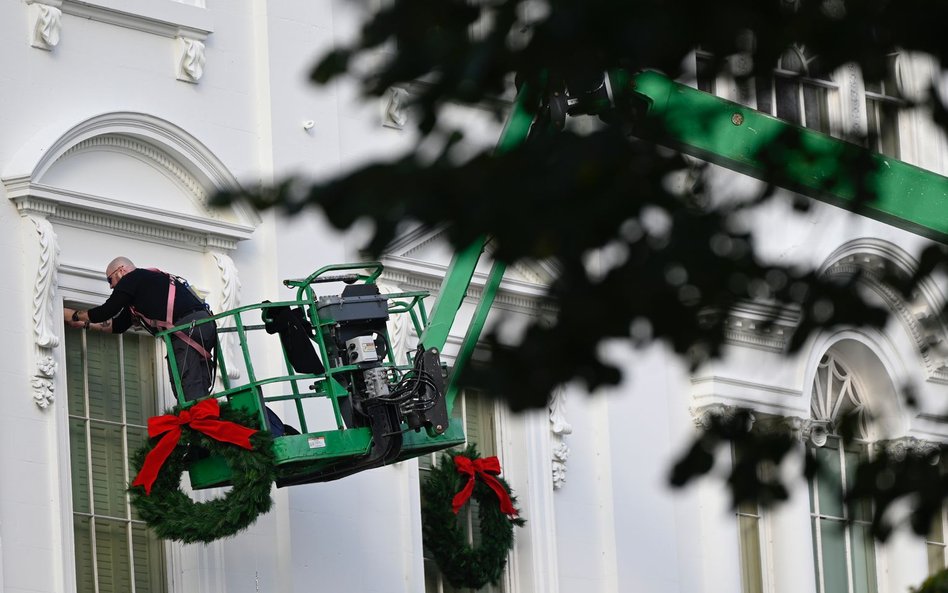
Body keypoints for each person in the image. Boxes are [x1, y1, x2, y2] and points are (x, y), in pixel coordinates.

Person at [64, 257, 217, 402]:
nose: (111, 286)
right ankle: (206, 418)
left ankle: (196, 423)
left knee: (187, 386)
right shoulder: (146, 288)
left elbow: (106, 311)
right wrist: (85, 324)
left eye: (110, 280)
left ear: (121, 270)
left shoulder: (132, 278)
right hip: (202, 327)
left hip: (187, 329)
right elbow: (118, 325)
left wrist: (76, 315)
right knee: (198, 384)